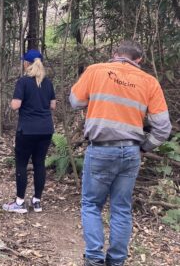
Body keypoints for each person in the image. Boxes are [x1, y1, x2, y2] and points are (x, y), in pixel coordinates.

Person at [70, 40, 171, 266]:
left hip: (100, 150)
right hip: (131, 152)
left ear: (114, 54)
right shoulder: (149, 81)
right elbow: (163, 127)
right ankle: (116, 261)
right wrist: (145, 146)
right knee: (121, 208)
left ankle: (94, 259)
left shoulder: (95, 71)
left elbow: (75, 101)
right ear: (139, 60)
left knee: (91, 205)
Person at [3, 49, 56, 214]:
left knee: (21, 164)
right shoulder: (47, 82)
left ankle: (19, 203)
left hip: (27, 130)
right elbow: (53, 105)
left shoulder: (23, 82)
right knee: (39, 163)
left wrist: (16, 102)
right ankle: (37, 201)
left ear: (27, 63)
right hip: (46, 129)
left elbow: (15, 105)